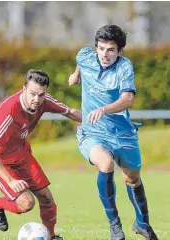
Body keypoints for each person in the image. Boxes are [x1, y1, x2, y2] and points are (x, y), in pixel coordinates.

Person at [68, 25, 158, 240]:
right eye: (101, 49)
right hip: (93, 133)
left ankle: (142, 224)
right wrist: (76, 75)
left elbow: (128, 100)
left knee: (132, 179)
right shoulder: (85, 56)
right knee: (105, 164)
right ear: (95, 48)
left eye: (110, 50)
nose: (105, 55)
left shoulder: (124, 67)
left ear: (120, 51)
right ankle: (114, 224)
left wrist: (104, 109)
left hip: (123, 133)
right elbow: (80, 62)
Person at [0, 69, 81, 240]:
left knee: (46, 197)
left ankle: (51, 236)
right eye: (33, 94)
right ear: (24, 88)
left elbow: (70, 112)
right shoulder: (10, 112)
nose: (37, 99)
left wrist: (100, 121)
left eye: (41, 95)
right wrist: (11, 180)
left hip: (20, 153)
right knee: (26, 203)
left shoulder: (44, 101)